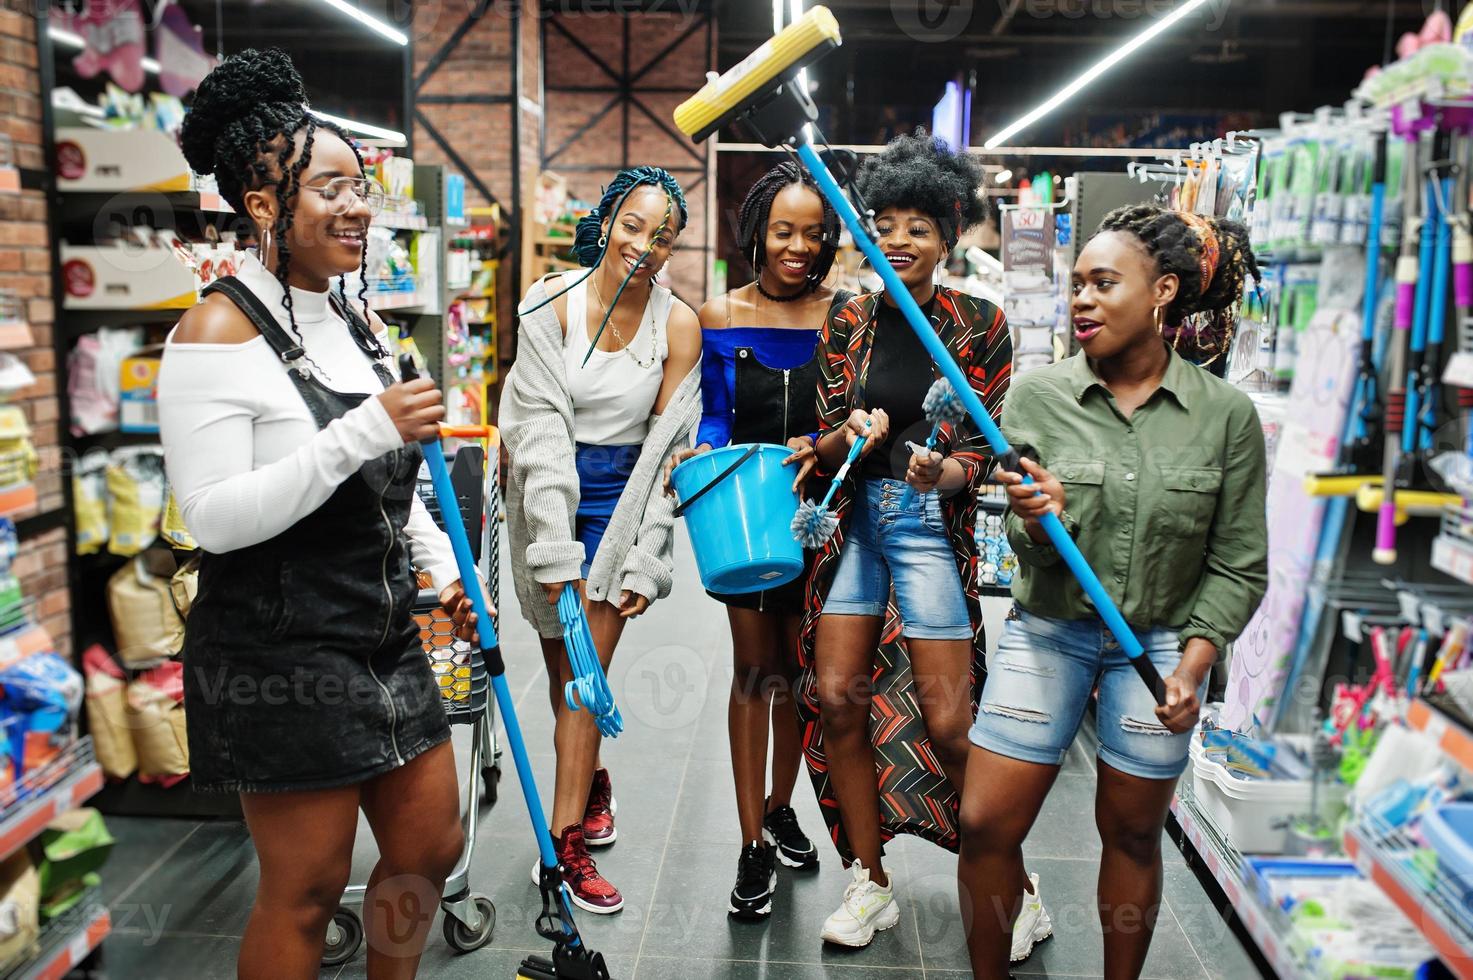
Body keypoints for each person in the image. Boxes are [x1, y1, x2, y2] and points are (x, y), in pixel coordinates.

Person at [160, 49, 474, 980]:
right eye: (329, 186)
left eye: (361, 183)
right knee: (304, 888)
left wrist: (444, 570)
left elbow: (393, 477)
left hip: (381, 634)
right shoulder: (215, 332)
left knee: (429, 846)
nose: (358, 205)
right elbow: (213, 519)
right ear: (262, 208)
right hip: (279, 649)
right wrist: (361, 429)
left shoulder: (356, 317)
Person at [959, 206, 1268, 979]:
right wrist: (1038, 518)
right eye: (1075, 286)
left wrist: (1191, 672)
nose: (1082, 301)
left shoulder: (1225, 417)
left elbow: (1237, 562)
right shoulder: (1036, 399)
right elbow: (1029, 548)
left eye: (1104, 283)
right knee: (985, 823)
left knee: (1131, 834)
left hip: (1161, 647)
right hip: (1048, 631)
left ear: (1162, 290)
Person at [793, 130, 1048, 955]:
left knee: (947, 723)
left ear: (949, 233)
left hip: (926, 531)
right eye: (885, 223)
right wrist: (849, 439)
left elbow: (988, 451)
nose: (898, 239)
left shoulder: (980, 323)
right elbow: (820, 442)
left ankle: (1015, 884)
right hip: (858, 523)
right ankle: (868, 883)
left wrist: (945, 473)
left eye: (918, 226)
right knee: (835, 698)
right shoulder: (850, 318)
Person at [499, 166, 702, 915]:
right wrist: (552, 547)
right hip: (548, 492)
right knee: (563, 671)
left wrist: (648, 554)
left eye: (663, 238)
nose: (644, 247)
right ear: (609, 221)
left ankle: (562, 847)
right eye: (633, 226)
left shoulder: (677, 322)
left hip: (620, 502)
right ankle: (591, 780)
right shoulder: (551, 301)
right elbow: (539, 431)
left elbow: (667, 450)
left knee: (586, 682)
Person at [665, 163, 853, 921]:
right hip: (741, 518)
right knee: (755, 671)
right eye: (783, 230)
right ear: (754, 234)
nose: (797, 247)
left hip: (822, 518)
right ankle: (752, 844)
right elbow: (713, 416)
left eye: (813, 233)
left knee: (801, 672)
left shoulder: (848, 315)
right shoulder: (716, 315)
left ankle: (781, 805)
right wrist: (696, 452)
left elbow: (853, 408)